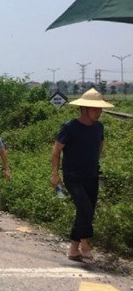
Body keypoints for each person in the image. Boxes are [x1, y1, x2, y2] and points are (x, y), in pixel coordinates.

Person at [50, 88, 113, 262]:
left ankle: (73, 250)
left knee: (87, 212)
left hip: (91, 176)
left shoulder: (99, 127)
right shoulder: (70, 127)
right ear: (84, 108)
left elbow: (99, 146)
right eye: (95, 109)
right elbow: (56, 152)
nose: (98, 113)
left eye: (100, 109)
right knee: (84, 208)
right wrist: (55, 175)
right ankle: (85, 245)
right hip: (73, 177)